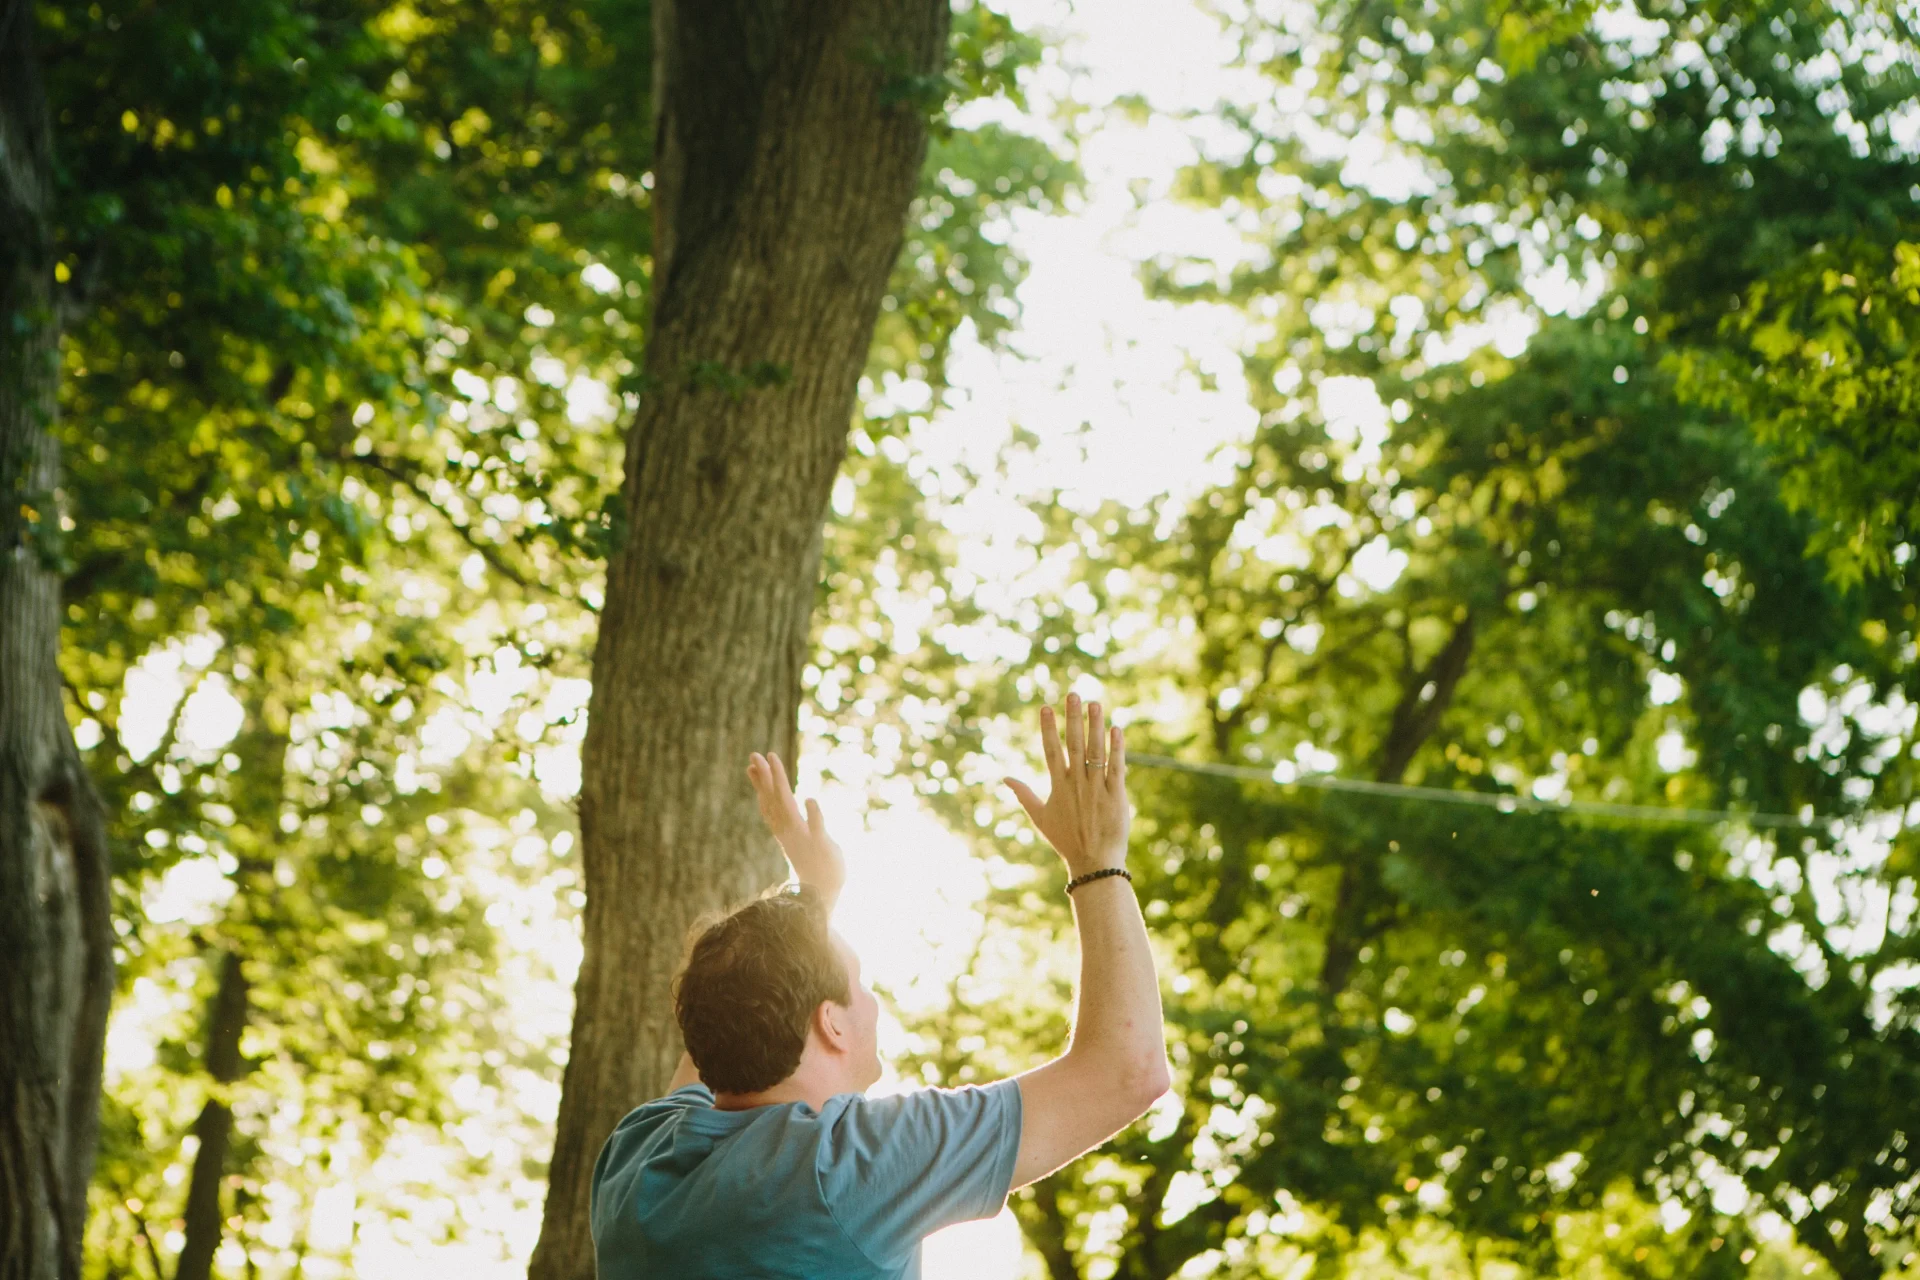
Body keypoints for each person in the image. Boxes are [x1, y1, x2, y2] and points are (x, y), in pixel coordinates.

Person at [589, 694, 1170, 1279]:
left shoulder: (636, 1159)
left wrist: (816, 898)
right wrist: (1097, 863)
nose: (871, 999)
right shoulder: (845, 1168)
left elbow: (725, 1014)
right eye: (859, 982)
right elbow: (1129, 1070)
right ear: (830, 1022)